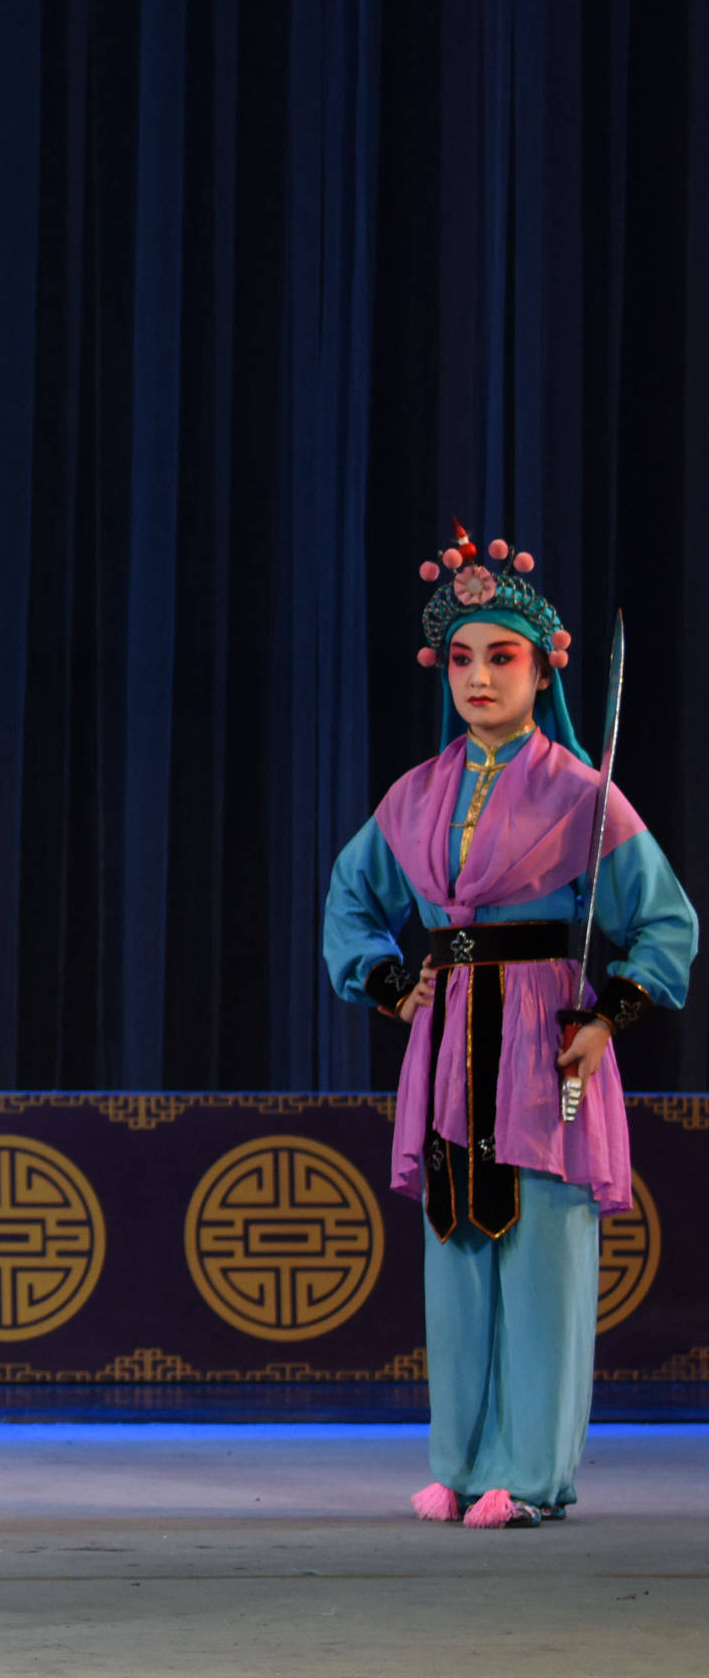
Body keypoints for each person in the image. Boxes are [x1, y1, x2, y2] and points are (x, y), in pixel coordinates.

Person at [322, 524, 690, 1528]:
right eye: (462, 659)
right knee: (456, 1253)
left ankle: (529, 1474)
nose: (479, 677)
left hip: (541, 1039)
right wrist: (390, 982)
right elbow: (352, 898)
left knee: (541, 1268)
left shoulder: (580, 794)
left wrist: (608, 1015)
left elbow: (665, 920)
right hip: (449, 1040)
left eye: (502, 657)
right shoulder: (416, 795)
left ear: (540, 670)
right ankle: (459, 1460)